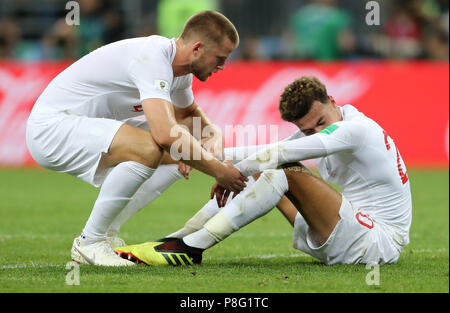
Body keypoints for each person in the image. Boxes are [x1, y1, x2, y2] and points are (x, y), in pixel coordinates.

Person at [26, 10, 248, 266]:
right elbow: (165, 134)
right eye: (220, 58)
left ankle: (105, 234)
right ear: (197, 48)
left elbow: (188, 116)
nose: (222, 66)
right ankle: (90, 242)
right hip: (52, 127)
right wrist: (219, 170)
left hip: (83, 125)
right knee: (152, 148)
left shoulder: (180, 71)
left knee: (178, 158)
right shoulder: (152, 59)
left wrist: (212, 135)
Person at [116, 76, 412, 266]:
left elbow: (279, 155)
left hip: (377, 242)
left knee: (279, 168)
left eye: (320, 121)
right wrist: (200, 158)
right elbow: (264, 152)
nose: (315, 132)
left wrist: (223, 172)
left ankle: (191, 248)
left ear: (332, 101)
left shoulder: (355, 130)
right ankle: (176, 239)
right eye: (306, 130)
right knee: (266, 169)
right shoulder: (322, 130)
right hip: (345, 232)